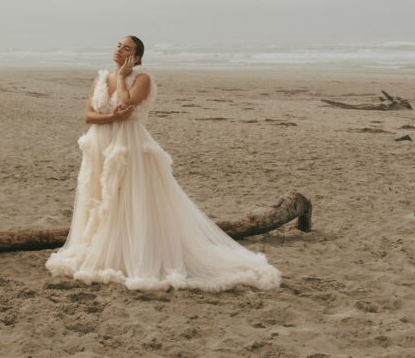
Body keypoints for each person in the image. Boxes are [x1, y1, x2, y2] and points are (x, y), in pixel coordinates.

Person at [46, 36, 282, 291]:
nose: (119, 49)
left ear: (136, 57)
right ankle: (99, 249)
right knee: (99, 196)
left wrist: (123, 76)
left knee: (128, 198)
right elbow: (89, 115)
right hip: (100, 145)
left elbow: (126, 105)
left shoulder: (142, 79)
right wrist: (112, 115)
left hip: (128, 145)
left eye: (127, 48)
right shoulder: (101, 79)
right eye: (118, 45)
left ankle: (129, 255)